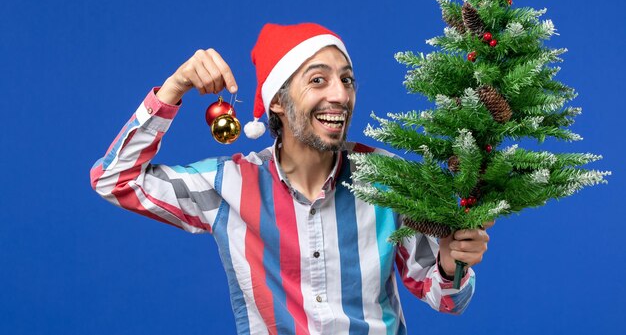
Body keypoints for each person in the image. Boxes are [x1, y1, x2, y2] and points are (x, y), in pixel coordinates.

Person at [90, 22, 492, 335]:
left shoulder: (389, 178)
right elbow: (113, 180)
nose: (340, 94)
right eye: (318, 80)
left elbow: (447, 300)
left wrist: (449, 261)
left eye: (347, 79)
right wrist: (173, 89)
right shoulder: (228, 185)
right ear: (277, 102)